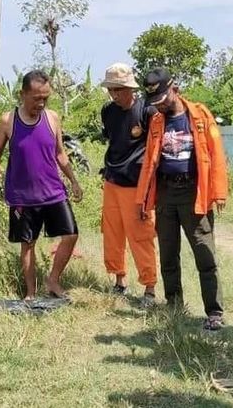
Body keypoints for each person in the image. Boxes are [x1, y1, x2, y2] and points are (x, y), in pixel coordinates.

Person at [136, 68, 228, 330]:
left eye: (162, 98)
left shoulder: (199, 115)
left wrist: (219, 192)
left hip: (193, 193)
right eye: (154, 102)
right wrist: (143, 200)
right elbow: (149, 164)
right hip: (165, 193)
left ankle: (214, 312)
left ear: (174, 88)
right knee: (167, 253)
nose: (159, 105)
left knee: (204, 253)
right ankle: (174, 305)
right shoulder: (156, 122)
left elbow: (216, 154)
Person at [0, 70, 83, 301]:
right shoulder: (8, 120)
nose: (41, 103)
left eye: (45, 98)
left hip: (53, 191)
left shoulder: (52, 118)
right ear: (23, 94)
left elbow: (60, 153)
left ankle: (53, 281)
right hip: (22, 196)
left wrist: (74, 180)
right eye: (36, 98)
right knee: (27, 244)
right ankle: (30, 292)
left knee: (70, 235)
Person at [99, 63, 158, 306]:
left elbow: (156, 148)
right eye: (112, 90)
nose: (115, 95)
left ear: (130, 88)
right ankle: (119, 279)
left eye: (120, 89)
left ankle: (150, 288)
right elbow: (113, 141)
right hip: (112, 181)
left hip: (137, 186)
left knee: (141, 236)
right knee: (112, 234)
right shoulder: (107, 111)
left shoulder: (147, 110)